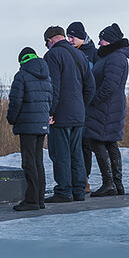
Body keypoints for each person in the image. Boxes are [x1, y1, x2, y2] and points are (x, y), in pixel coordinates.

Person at [43, 25, 94, 202]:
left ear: (50, 40)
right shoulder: (80, 55)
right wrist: (81, 106)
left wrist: (50, 111)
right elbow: (90, 87)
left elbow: (53, 87)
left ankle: (64, 191)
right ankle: (79, 190)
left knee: (60, 153)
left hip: (61, 115)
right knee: (76, 152)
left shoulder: (52, 56)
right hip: (78, 114)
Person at [86, 24, 129, 197]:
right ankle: (116, 183)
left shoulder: (116, 58)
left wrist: (94, 99)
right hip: (108, 106)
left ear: (111, 40)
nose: (99, 42)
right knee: (109, 143)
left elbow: (110, 85)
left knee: (98, 142)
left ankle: (109, 183)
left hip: (107, 107)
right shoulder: (110, 56)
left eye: (102, 39)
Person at [7, 47, 51, 211]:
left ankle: (32, 200)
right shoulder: (46, 75)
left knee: (28, 162)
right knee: (38, 161)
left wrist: (12, 119)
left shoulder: (22, 75)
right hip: (42, 123)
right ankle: (40, 199)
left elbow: (15, 101)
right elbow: (50, 99)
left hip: (27, 124)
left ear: (22, 60)